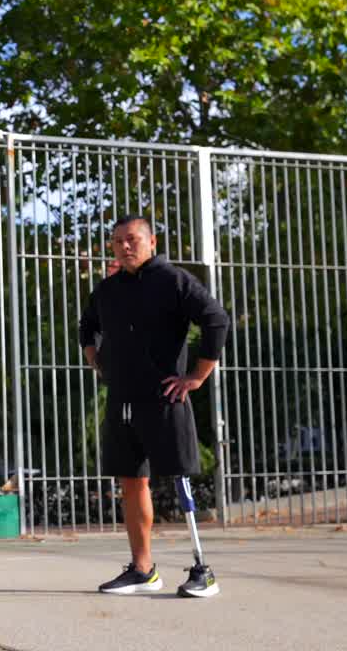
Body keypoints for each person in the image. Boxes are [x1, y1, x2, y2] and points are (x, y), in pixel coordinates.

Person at [78, 215, 229, 597]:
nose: (124, 247)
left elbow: (216, 320)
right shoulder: (108, 289)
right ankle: (142, 570)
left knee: (178, 476)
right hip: (122, 401)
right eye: (117, 242)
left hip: (164, 398)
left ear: (151, 241)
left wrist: (196, 376)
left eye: (132, 239)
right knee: (131, 481)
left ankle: (202, 570)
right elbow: (87, 326)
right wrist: (97, 361)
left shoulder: (173, 280)